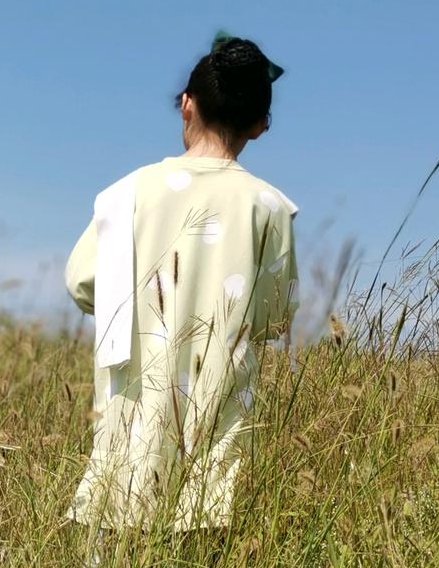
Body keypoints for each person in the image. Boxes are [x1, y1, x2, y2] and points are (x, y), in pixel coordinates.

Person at [64, 34, 298, 536]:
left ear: (187, 105)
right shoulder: (269, 207)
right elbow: (275, 315)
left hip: (131, 413)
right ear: (259, 126)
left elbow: (82, 282)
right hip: (220, 417)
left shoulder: (125, 193)